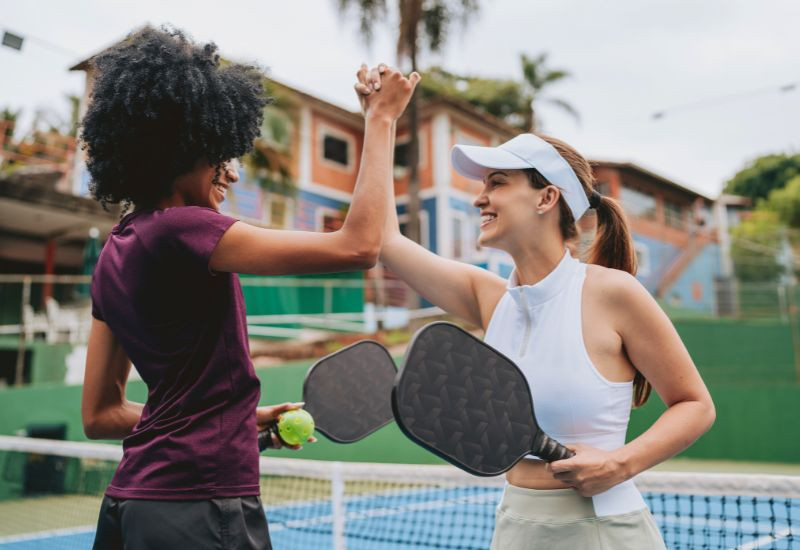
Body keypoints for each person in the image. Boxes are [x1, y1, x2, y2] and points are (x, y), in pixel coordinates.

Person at [80, 27, 418, 550]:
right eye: (221, 154)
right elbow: (358, 247)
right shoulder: (184, 228)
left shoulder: (113, 256)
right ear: (186, 145)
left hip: (131, 507)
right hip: (198, 507)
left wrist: (233, 420)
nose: (231, 174)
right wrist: (380, 119)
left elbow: (99, 415)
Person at [357, 73, 715, 549]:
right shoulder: (489, 297)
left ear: (548, 198)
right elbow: (380, 240)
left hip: (604, 530)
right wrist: (379, 121)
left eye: (498, 183)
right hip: (516, 526)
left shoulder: (614, 293)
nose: (480, 197)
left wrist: (619, 464)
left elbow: (695, 405)